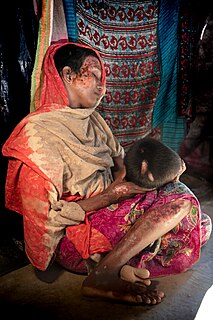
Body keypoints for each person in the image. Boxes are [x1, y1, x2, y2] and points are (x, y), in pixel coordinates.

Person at [2, 42, 211, 305]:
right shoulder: (36, 135)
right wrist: (112, 195)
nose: (102, 86)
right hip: (74, 238)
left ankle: (119, 265)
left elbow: (122, 168)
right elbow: (46, 221)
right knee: (181, 202)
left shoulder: (95, 122)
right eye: (94, 76)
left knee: (200, 224)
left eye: (104, 78)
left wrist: (160, 173)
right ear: (67, 75)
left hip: (108, 214)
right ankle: (103, 273)